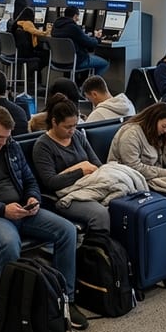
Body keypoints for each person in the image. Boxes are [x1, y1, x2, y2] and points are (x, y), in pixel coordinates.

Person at [0, 106, 87, 331]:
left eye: (6, 137)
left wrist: (33, 198)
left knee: (67, 231)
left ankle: (65, 299)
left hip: (22, 211)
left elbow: (30, 180)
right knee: (9, 242)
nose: (2, 143)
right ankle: (12, 309)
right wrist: (3, 209)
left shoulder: (11, 147)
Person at [30, 95, 111, 233]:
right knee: (100, 214)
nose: (72, 130)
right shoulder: (43, 146)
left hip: (89, 186)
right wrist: (81, 170)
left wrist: (84, 169)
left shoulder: (77, 136)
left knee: (119, 202)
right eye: (67, 127)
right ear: (54, 122)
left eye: (75, 125)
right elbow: (50, 182)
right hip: (65, 196)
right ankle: (98, 248)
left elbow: (96, 164)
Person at [107, 102, 166, 205]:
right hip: (134, 183)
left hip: (153, 179)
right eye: (164, 126)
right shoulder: (131, 134)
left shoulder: (157, 133)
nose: (165, 130)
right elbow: (133, 167)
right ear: (153, 119)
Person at [52, 6, 109, 77]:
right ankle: (91, 86)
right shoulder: (73, 27)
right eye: (78, 16)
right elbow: (89, 43)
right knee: (104, 64)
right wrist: (97, 38)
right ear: (75, 16)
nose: (78, 19)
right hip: (75, 62)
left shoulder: (55, 26)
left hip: (57, 62)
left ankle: (80, 84)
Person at [10, 7, 50, 79]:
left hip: (16, 53)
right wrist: (47, 32)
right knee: (47, 55)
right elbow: (35, 32)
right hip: (26, 54)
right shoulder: (27, 23)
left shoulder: (17, 23)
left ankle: (35, 75)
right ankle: (35, 72)